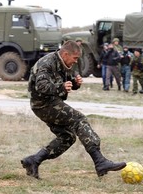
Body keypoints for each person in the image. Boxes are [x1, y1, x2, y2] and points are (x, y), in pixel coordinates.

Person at [21, 40, 126, 179]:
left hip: (51, 102)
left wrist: (76, 83)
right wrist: (61, 87)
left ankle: (34, 161)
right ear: (65, 54)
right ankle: (100, 161)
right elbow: (42, 86)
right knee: (79, 119)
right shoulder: (47, 63)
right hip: (43, 104)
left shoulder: (63, 62)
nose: (75, 61)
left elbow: (68, 81)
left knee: (68, 137)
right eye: (75, 58)